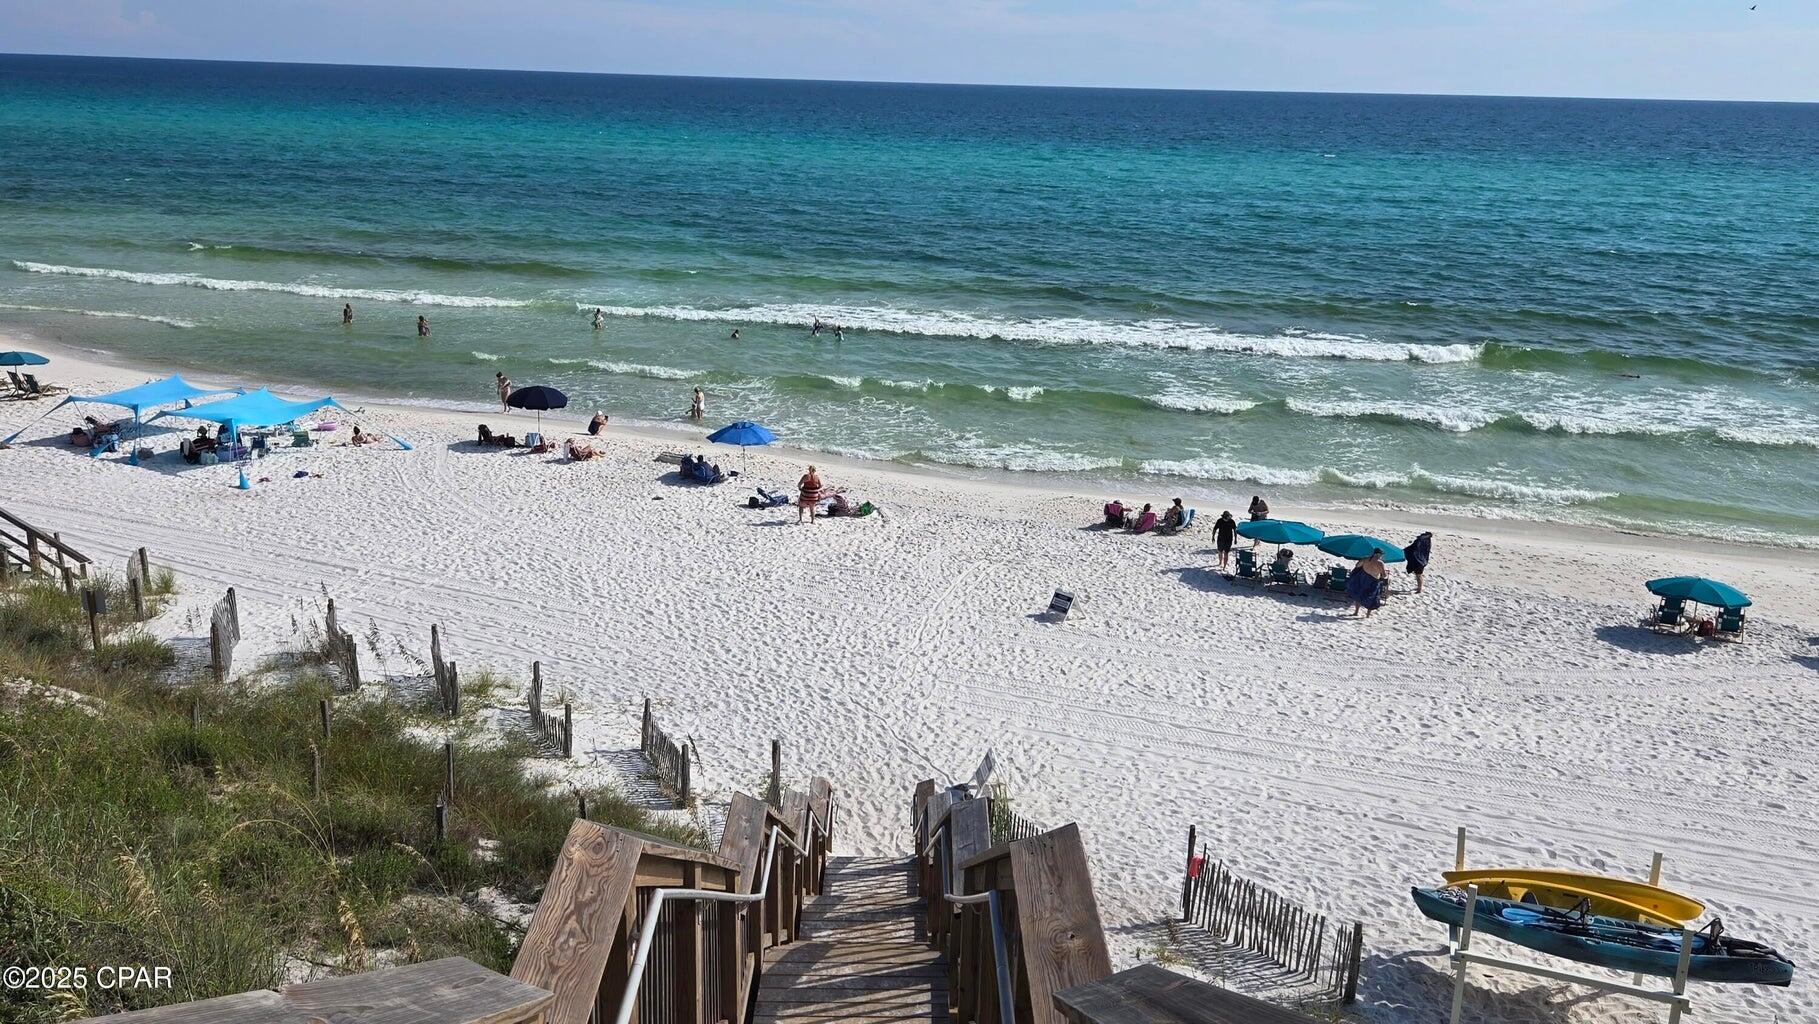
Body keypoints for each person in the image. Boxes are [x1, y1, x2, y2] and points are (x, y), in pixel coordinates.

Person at [1347, 551, 1387, 617]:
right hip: (1373, 581)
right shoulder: (1380, 563)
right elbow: (1384, 575)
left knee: (1359, 595)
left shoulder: (1365, 559)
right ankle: (1367, 615)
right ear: (1378, 554)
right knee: (1371, 597)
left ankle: (1356, 612)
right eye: (1381, 554)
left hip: (1363, 579)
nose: (1381, 556)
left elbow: (1357, 565)